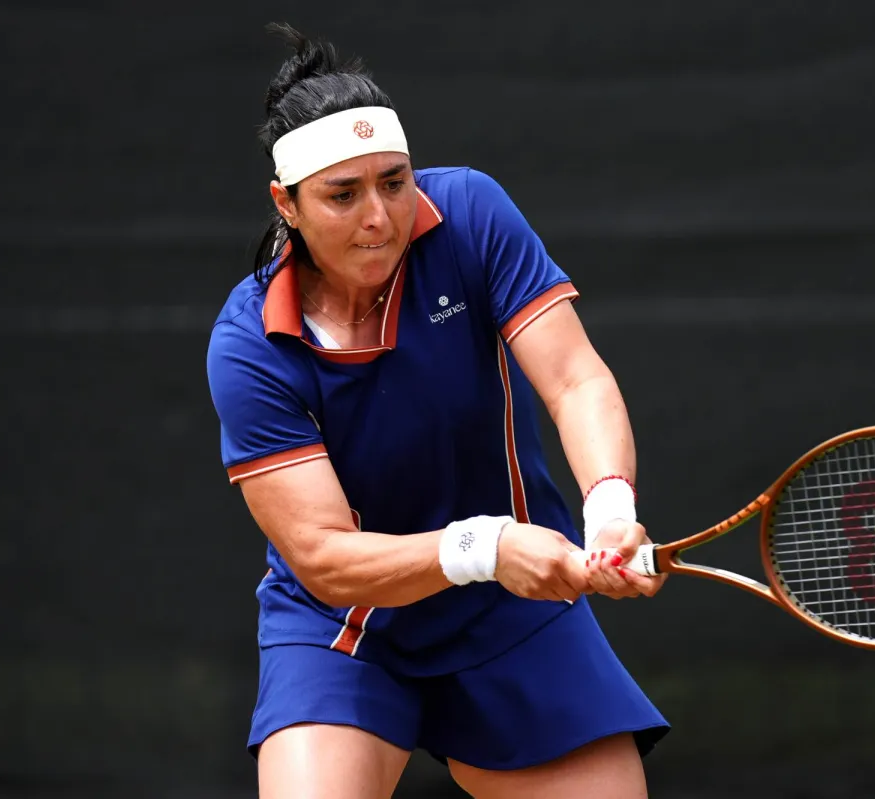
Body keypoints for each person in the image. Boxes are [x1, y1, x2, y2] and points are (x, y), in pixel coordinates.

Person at [206, 24, 669, 799]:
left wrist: (610, 507)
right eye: (342, 195)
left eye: (394, 182)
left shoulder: (469, 212)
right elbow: (322, 555)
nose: (380, 216)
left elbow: (574, 380)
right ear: (286, 204)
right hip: (348, 628)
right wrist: (485, 545)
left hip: (515, 608)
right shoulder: (249, 342)